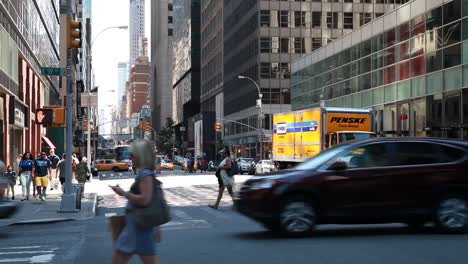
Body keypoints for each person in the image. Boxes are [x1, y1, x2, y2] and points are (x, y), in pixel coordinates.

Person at [110, 139, 160, 264]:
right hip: (137, 227)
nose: (130, 158)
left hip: (138, 228)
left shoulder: (145, 175)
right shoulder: (143, 173)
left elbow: (145, 200)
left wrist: (124, 193)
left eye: (132, 155)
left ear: (140, 156)